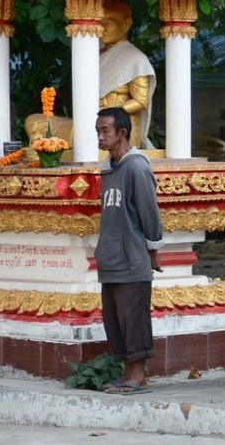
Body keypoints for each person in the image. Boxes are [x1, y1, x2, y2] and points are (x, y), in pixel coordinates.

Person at [94, 106, 164, 395]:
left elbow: (149, 213)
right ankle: (127, 373)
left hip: (132, 259)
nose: (99, 136)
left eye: (105, 130)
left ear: (122, 133)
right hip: (110, 260)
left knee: (134, 319)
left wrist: (153, 249)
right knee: (116, 320)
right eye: (97, 131)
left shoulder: (137, 166)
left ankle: (139, 376)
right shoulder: (109, 169)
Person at [25, 1, 157, 149]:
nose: (103, 29)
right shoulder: (96, 55)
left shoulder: (135, 59)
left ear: (126, 24)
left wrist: (112, 113)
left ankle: (66, 142)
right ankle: (58, 142)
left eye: (108, 23)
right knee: (33, 121)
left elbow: (141, 101)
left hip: (113, 127)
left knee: (83, 135)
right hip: (90, 121)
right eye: (100, 24)